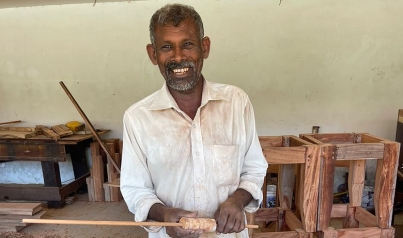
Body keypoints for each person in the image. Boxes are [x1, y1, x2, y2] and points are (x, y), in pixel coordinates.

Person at [121, 3, 268, 238]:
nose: (178, 57)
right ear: (153, 54)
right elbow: (135, 189)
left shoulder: (236, 102)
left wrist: (236, 202)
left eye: (188, 44)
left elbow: (254, 169)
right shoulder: (137, 118)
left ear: (205, 47)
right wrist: (164, 215)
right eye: (167, 47)